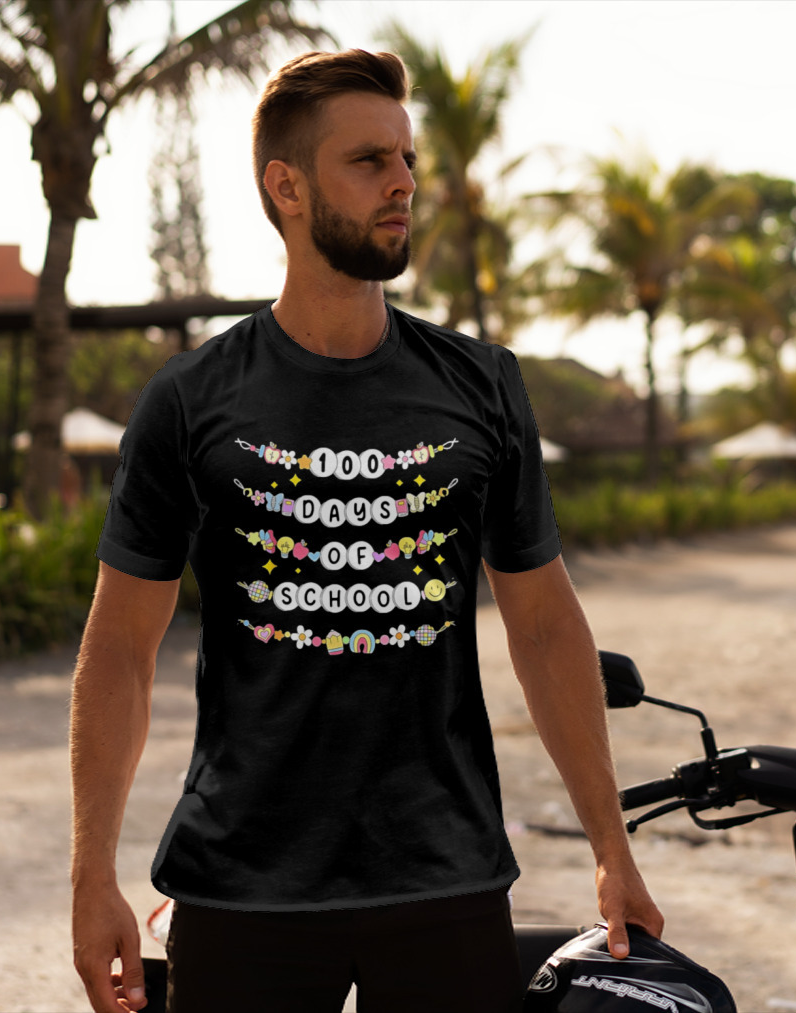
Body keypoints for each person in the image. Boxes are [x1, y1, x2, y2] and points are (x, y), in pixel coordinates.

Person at [70, 48, 663, 1013]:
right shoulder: (190, 402)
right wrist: (91, 874)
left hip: (447, 877)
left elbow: (547, 629)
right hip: (242, 881)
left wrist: (612, 847)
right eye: (369, 161)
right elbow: (118, 653)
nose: (404, 183)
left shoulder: (482, 384)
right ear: (287, 187)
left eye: (408, 157)